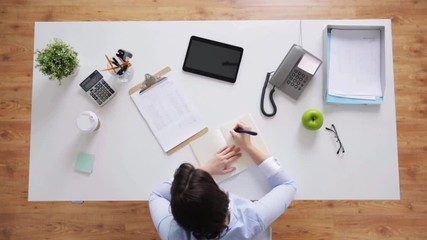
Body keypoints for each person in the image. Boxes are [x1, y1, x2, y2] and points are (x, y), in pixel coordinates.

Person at [149, 122, 296, 239]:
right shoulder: (250, 220)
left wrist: (199, 174)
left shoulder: (172, 234)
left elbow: (157, 194)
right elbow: (287, 185)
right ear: (224, 199)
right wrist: (248, 146)